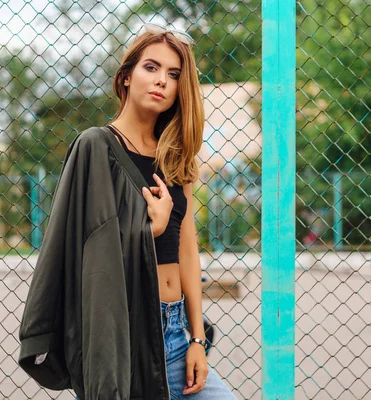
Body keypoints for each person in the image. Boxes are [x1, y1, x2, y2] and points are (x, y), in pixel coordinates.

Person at [18, 22, 236, 399]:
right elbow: (86, 254)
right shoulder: (95, 148)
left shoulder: (175, 156)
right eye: (151, 67)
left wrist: (197, 339)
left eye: (173, 74)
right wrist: (148, 230)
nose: (162, 81)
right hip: (125, 337)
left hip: (175, 335)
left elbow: (187, 249)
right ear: (125, 77)